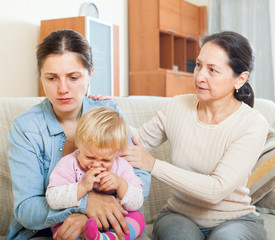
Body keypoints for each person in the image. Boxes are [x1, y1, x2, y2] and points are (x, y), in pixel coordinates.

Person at [120, 31, 269, 240]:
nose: (199, 77)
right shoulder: (177, 106)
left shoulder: (252, 124)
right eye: (198, 65)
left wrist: (153, 165)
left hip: (236, 220)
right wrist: (107, 110)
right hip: (178, 216)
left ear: (240, 79)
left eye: (212, 70)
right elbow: (135, 142)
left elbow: (216, 189)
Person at [7, 29, 150, 240]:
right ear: (41, 77)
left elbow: (139, 179)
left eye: (73, 77)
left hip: (107, 225)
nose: (63, 89)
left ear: (90, 74)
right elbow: (26, 209)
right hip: (43, 232)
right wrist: (84, 205)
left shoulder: (108, 112)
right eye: (52, 78)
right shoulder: (26, 128)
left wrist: (96, 216)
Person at [46, 106, 145, 240]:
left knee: (138, 217)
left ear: (117, 153)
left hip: (112, 219)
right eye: (90, 157)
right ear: (79, 145)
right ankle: (86, 236)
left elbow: (137, 201)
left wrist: (121, 185)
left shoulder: (121, 166)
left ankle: (105, 238)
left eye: (105, 159)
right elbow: (52, 199)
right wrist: (82, 187)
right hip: (78, 220)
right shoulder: (68, 164)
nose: (96, 165)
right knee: (61, 226)